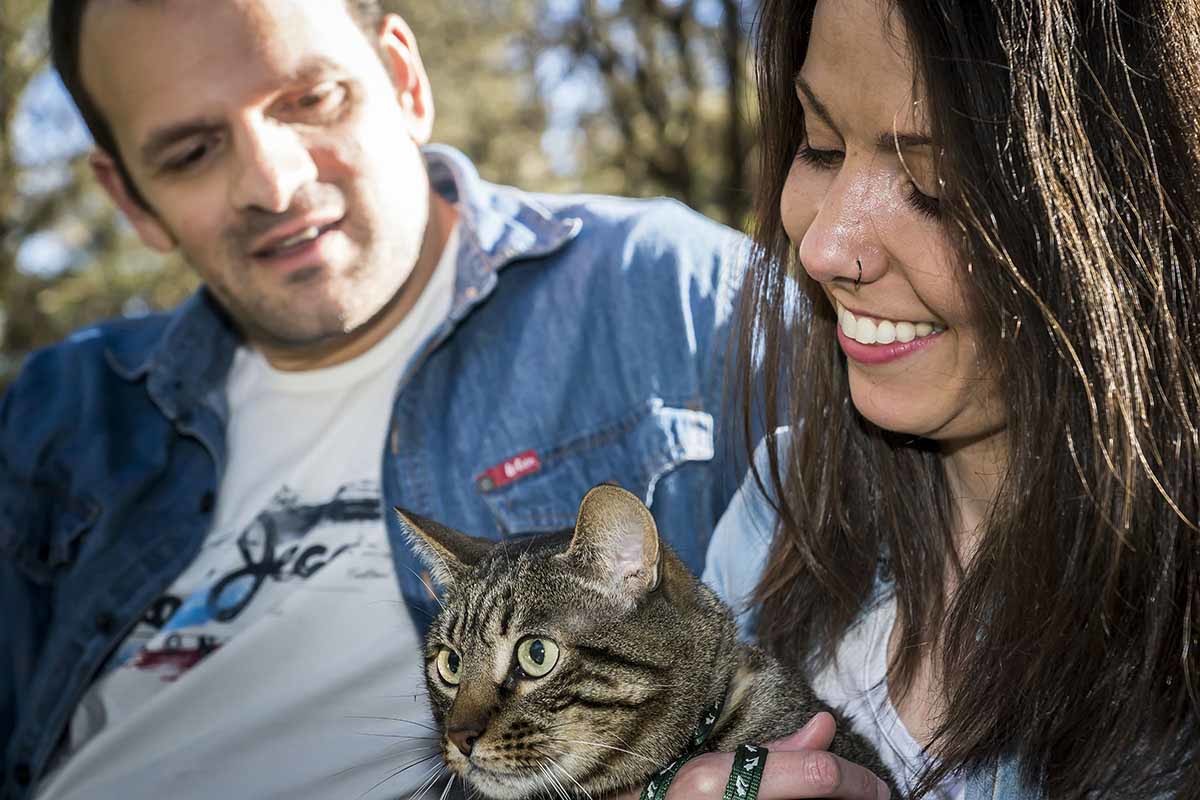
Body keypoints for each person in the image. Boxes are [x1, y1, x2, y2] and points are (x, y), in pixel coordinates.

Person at [0, 1, 754, 798]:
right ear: (131, 202)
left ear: (404, 79)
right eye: (191, 150)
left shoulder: (674, 291)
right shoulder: (62, 409)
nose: (275, 182)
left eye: (311, 100)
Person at [692, 0, 1200, 798]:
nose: (823, 246)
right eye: (820, 145)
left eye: (936, 183)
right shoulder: (775, 507)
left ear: (1135, 205)